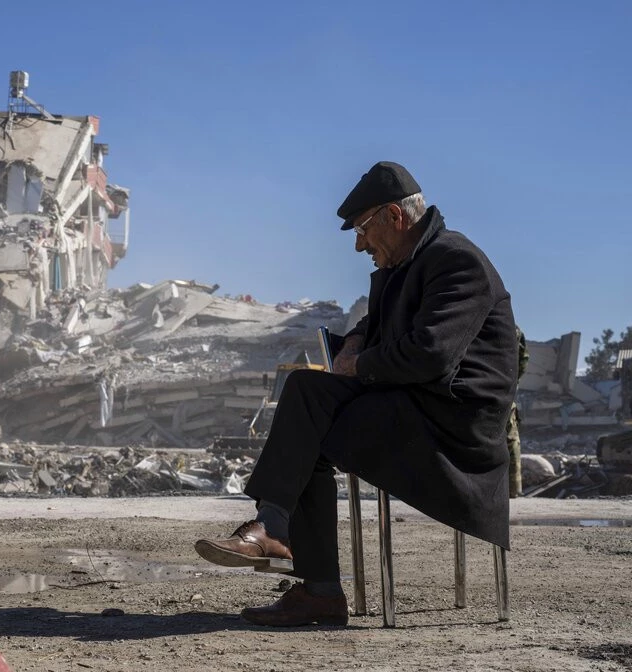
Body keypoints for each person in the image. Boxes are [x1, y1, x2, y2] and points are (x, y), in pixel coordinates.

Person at [195, 161, 519, 627]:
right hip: (411, 405)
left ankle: (305, 569)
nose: (359, 243)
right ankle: (288, 546)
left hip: (453, 424)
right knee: (307, 396)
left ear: (395, 215)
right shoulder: (406, 264)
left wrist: (360, 364)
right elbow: (378, 325)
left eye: (364, 229)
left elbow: (430, 354)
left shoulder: (456, 261)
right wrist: (352, 344)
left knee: (310, 417)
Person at [507, 327, 529, 497]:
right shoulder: (513, 327)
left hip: (474, 389)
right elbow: (522, 361)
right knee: (511, 439)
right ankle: (513, 489)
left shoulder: (471, 316)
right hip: (504, 390)